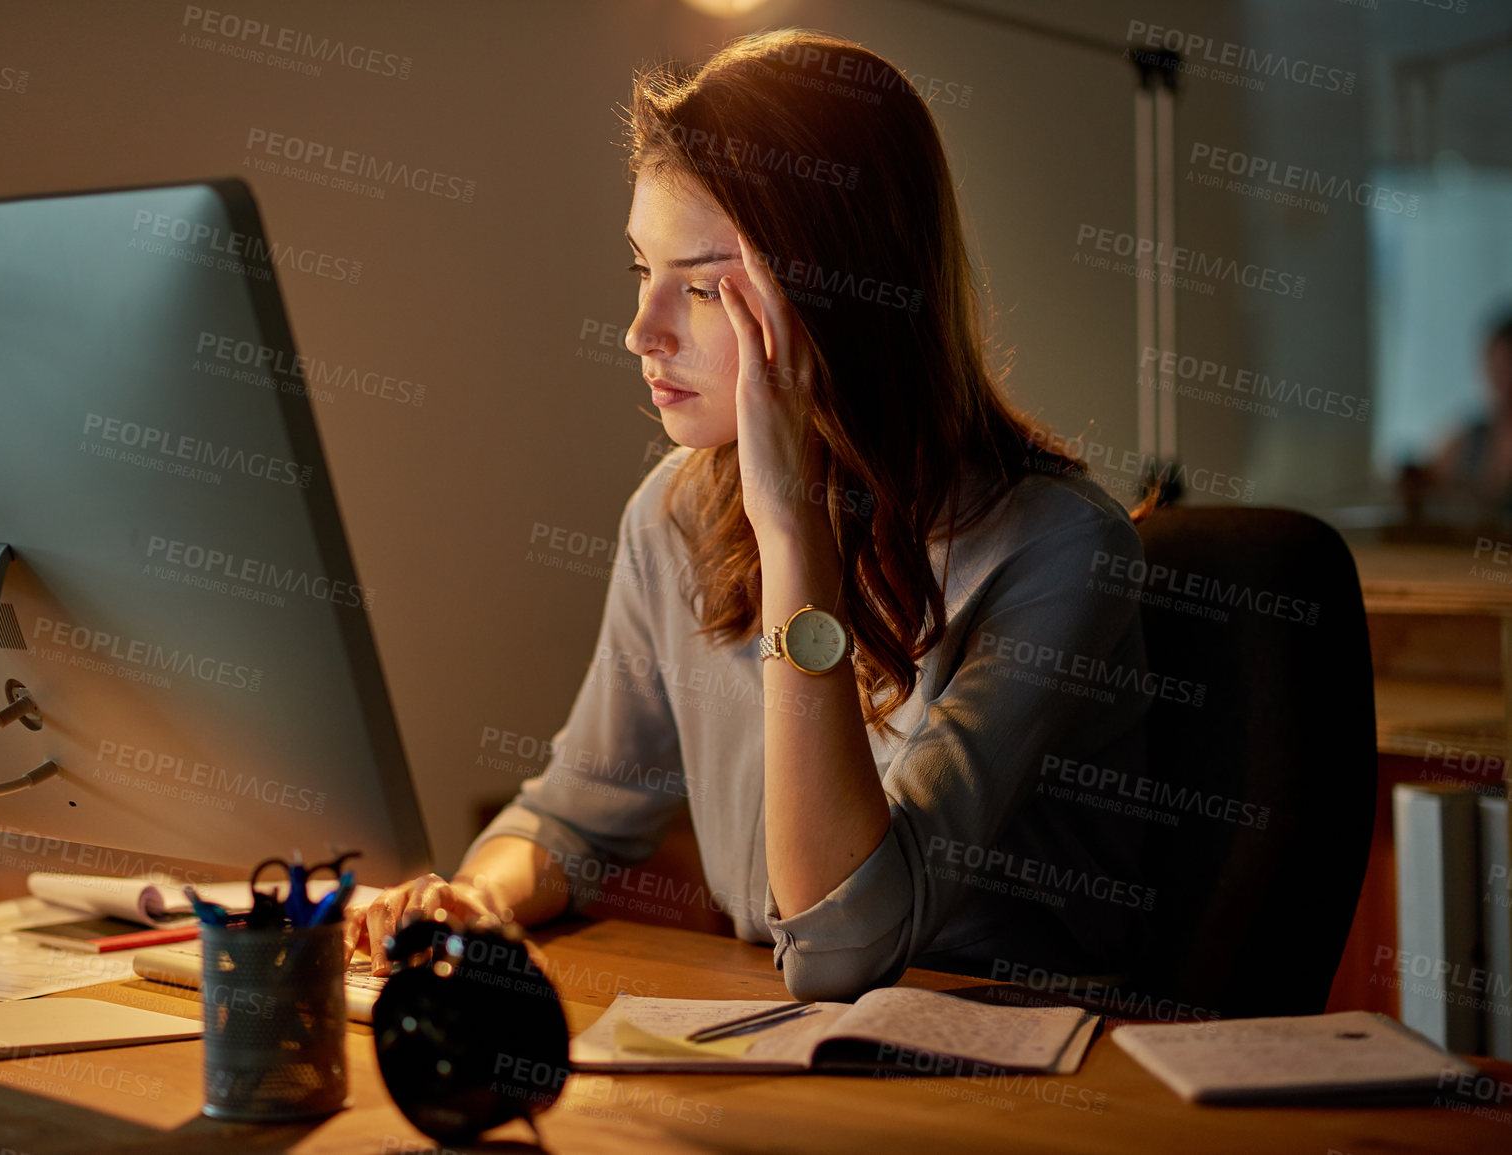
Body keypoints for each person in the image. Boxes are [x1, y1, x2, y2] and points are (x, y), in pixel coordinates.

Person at [348, 28, 1153, 1002]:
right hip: (784, 1068)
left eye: (698, 287)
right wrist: (476, 895)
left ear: (834, 293)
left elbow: (844, 941)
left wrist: (791, 537)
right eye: (640, 271)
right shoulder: (676, 516)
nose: (641, 330)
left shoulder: (1062, 551)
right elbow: (571, 822)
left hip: (1016, 1101)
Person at [1405, 312, 1512, 527]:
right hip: (1468, 555)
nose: (1503, 377)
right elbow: (1425, 479)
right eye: (1497, 367)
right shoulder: (1469, 439)